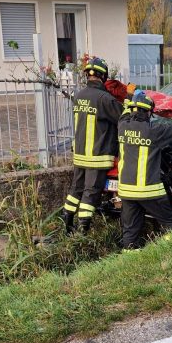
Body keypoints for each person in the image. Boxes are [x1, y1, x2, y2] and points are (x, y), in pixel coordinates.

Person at [60, 57, 122, 234]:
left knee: (76, 189)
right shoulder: (105, 99)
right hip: (97, 156)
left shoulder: (79, 96)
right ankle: (83, 231)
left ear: (87, 75)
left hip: (80, 154)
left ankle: (67, 223)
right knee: (91, 192)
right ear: (103, 76)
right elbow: (124, 118)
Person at [117, 92, 172, 249]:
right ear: (148, 112)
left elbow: (125, 111)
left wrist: (130, 97)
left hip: (126, 191)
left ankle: (130, 257)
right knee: (170, 224)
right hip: (148, 190)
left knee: (130, 232)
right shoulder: (153, 130)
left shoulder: (122, 125)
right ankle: (170, 249)